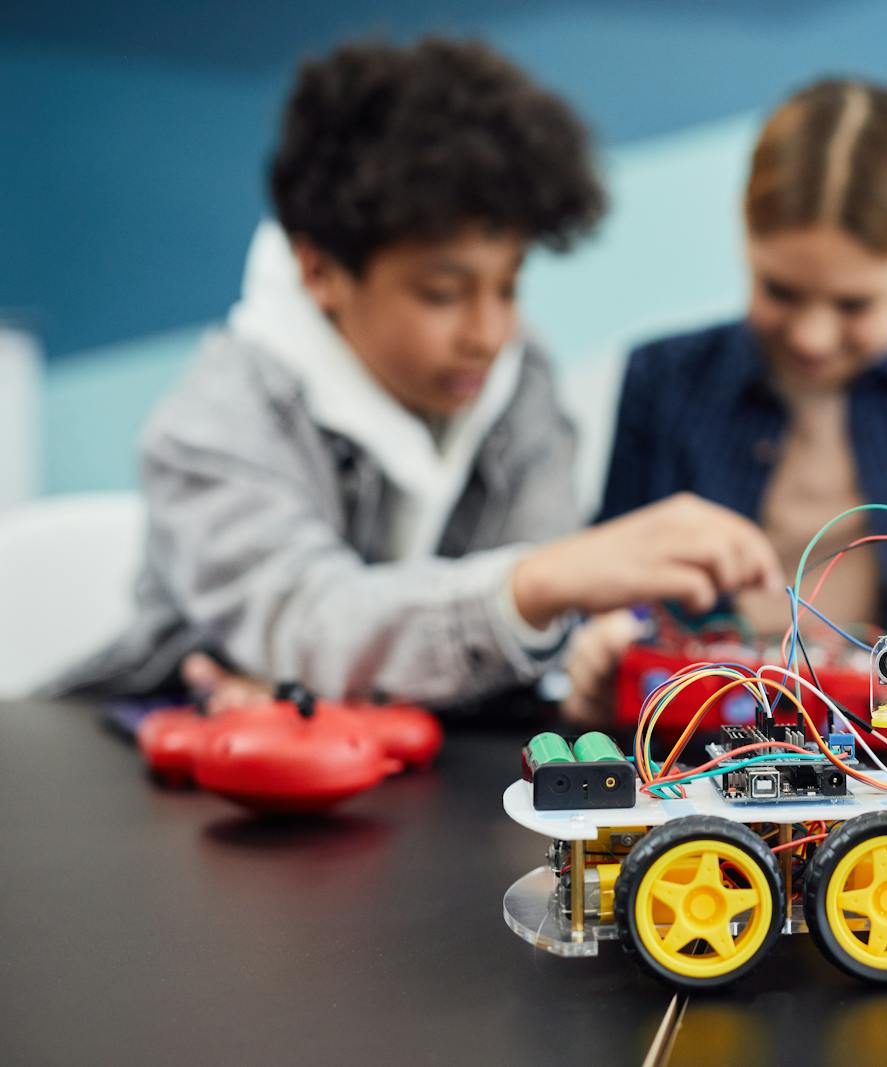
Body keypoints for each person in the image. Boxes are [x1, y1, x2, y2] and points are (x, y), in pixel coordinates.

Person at [45, 38, 781, 710]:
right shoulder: (212, 424)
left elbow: (539, 632)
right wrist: (538, 582)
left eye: (509, 284)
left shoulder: (519, 381)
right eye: (442, 293)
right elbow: (309, 623)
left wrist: (588, 651)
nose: (488, 334)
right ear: (321, 270)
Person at [561, 77, 887, 725]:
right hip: (693, 735)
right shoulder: (664, 378)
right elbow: (618, 580)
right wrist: (607, 642)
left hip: (881, 744)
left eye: (854, 304)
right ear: (745, 239)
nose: (812, 335)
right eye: (781, 290)